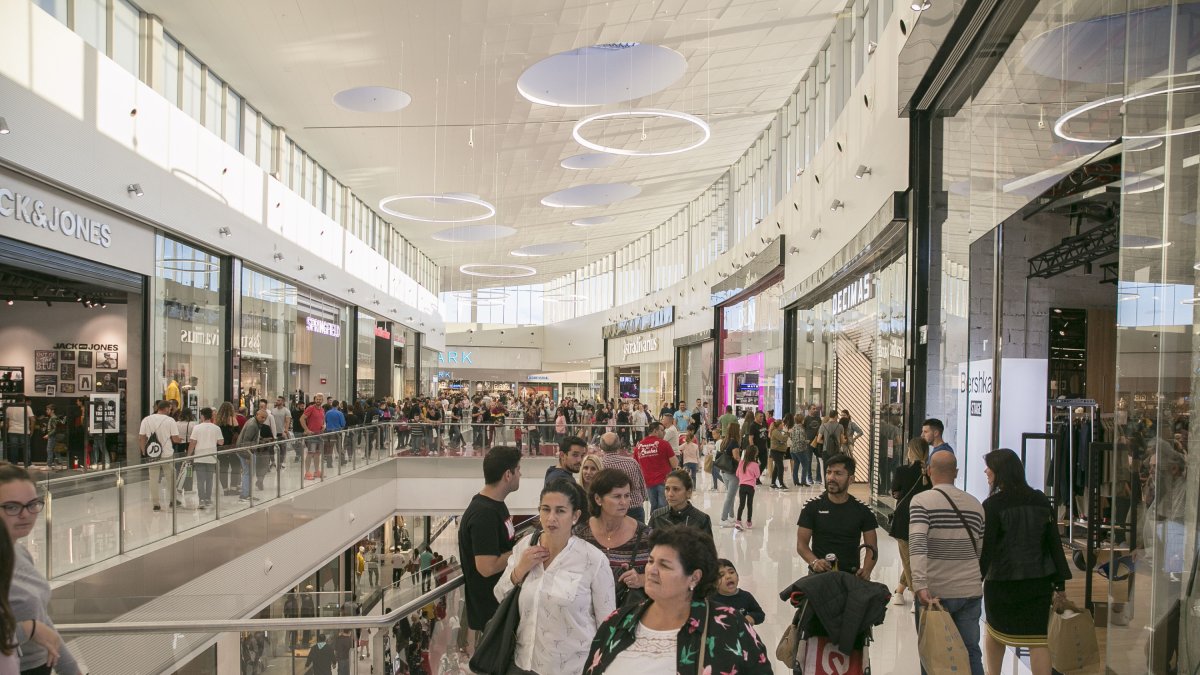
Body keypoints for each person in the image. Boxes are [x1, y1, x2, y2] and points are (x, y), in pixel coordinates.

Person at [581, 526, 772, 674]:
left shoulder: (729, 625)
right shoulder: (618, 622)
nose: (651, 570)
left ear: (694, 577)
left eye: (664, 565)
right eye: (650, 561)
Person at [494, 479, 616, 675]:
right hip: (522, 664)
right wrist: (520, 569)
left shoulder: (593, 560)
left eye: (560, 511)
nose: (551, 518)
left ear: (575, 515)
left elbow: (607, 626)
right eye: (545, 509)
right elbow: (500, 595)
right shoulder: (525, 546)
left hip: (571, 668)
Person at [979, 448, 1071, 675]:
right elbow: (1053, 544)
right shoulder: (1040, 500)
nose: (986, 470)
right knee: (1038, 639)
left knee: (994, 632)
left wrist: (976, 579)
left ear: (1000, 471)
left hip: (1001, 581)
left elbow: (987, 548)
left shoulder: (993, 505)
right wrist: (1060, 584)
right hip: (1038, 581)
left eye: (989, 466)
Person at [0, 464, 83, 673]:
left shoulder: (18, 552)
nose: (25, 514)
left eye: (32, 504)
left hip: (39, 665)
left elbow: (42, 620)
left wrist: (70, 669)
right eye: (12, 507)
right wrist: (27, 630)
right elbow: (35, 626)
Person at [909, 451, 985, 675]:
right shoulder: (975, 504)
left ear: (929, 470)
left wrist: (920, 584)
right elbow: (979, 550)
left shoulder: (921, 501)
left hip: (935, 591)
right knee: (971, 651)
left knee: (933, 653)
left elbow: (918, 544)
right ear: (957, 473)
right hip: (970, 590)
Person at [458, 445, 519, 633]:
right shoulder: (483, 514)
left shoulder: (496, 505)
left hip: (501, 607)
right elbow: (487, 567)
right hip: (492, 614)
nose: (520, 475)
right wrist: (522, 551)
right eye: (518, 470)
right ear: (508, 475)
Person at [574, 469, 650, 609]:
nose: (624, 502)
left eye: (627, 496)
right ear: (598, 499)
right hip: (586, 617)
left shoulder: (645, 536)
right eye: (616, 496)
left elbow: (666, 576)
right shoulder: (580, 534)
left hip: (627, 618)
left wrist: (641, 579)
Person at [796, 453, 878, 576]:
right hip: (818, 577)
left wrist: (866, 571)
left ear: (851, 479)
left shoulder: (863, 510)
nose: (831, 478)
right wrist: (814, 562)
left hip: (850, 577)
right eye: (829, 472)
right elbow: (801, 545)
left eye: (838, 473)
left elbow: (872, 549)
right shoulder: (811, 507)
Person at [889, 437, 931, 605]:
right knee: (915, 558)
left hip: (903, 520)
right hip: (924, 520)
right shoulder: (930, 472)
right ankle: (899, 591)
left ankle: (916, 596)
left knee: (908, 560)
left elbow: (895, 493)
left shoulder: (902, 471)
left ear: (911, 452)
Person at [138, 400, 182, 513]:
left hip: (152, 453)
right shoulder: (170, 420)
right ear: (166, 408)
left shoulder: (146, 419)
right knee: (170, 477)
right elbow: (175, 439)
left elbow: (141, 437)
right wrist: (181, 439)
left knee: (153, 478)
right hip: (167, 453)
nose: (170, 410)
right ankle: (172, 500)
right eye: (170, 408)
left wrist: (144, 451)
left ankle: (156, 504)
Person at [598, 432, 648, 523]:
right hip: (636, 509)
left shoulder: (599, 465)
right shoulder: (632, 462)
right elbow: (643, 489)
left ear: (600, 446)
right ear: (619, 445)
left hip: (610, 511)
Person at [649, 469, 712, 538]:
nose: (670, 494)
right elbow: (648, 546)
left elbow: (707, 548)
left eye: (676, 489)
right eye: (667, 489)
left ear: (688, 492)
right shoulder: (657, 517)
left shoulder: (701, 520)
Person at [632, 422, 679, 515]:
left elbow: (635, 465)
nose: (664, 433)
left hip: (647, 482)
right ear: (655, 431)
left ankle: (653, 525)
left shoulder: (639, 446)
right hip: (664, 480)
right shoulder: (664, 444)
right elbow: (675, 464)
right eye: (662, 430)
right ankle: (662, 526)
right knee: (663, 507)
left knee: (653, 505)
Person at [186, 407, 224, 508]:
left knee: (200, 480)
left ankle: (201, 499)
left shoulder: (197, 428)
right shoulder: (216, 428)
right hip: (212, 457)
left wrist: (188, 455)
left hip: (199, 457)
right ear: (211, 416)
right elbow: (221, 442)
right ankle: (208, 499)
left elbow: (192, 443)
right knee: (210, 479)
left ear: (202, 416)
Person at [714, 559, 765, 625]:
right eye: (721, 575)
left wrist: (751, 617)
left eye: (731, 572)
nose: (728, 576)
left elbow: (760, 614)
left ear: (738, 577)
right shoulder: (710, 599)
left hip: (742, 634)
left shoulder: (746, 596)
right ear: (714, 583)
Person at [236, 407, 271, 503]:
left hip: (247, 451)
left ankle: (248, 494)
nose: (263, 419)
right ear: (257, 415)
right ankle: (244, 495)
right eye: (262, 417)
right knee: (247, 473)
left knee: (250, 473)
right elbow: (246, 441)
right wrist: (248, 456)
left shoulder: (255, 422)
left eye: (265, 418)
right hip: (246, 452)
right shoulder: (253, 425)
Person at [718, 422, 742, 527]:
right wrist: (744, 464)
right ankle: (723, 518)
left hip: (724, 470)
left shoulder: (724, 441)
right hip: (732, 472)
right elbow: (736, 457)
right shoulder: (734, 443)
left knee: (730, 495)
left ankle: (731, 516)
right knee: (730, 496)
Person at [301, 394, 327, 481]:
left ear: (322, 400)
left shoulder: (322, 409)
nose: (318, 400)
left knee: (317, 454)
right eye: (317, 399)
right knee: (310, 453)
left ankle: (316, 471)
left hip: (319, 434)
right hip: (312, 435)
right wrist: (307, 430)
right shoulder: (311, 408)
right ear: (314, 399)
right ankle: (307, 472)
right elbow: (302, 419)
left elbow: (322, 420)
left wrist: (324, 426)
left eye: (320, 399)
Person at [734, 445, 760, 530]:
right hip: (750, 487)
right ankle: (749, 522)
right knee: (749, 504)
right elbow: (757, 475)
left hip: (742, 486)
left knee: (741, 504)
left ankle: (738, 521)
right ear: (755, 454)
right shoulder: (755, 464)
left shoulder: (741, 463)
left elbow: (737, 474)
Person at [3, 397, 33, 468]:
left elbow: (6, 421)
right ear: (23, 400)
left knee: (13, 448)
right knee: (26, 448)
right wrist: (31, 430)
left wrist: (6, 430)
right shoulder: (27, 407)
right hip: (24, 431)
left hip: (12, 430)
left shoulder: (9, 408)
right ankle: (27, 464)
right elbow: (33, 419)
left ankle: (14, 464)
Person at [789, 412, 812, 486]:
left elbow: (791, 437)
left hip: (793, 449)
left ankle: (795, 481)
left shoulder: (793, 428)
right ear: (802, 420)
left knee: (796, 464)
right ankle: (803, 481)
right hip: (800, 449)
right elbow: (801, 440)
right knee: (805, 464)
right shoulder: (801, 429)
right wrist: (807, 441)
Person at [41, 405, 65, 471]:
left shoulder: (53, 418)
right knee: (56, 451)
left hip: (52, 436)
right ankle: (59, 465)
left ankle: (49, 465)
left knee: (49, 450)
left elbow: (55, 429)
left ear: (52, 411)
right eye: (47, 410)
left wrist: (48, 435)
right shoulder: (55, 418)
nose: (47, 411)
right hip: (55, 436)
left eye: (48, 410)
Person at [767, 419, 789, 489]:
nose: (783, 425)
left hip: (779, 452)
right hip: (776, 451)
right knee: (780, 467)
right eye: (782, 424)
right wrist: (787, 434)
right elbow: (782, 439)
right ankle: (781, 484)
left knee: (776, 468)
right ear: (779, 425)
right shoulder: (775, 431)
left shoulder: (779, 431)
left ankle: (773, 483)